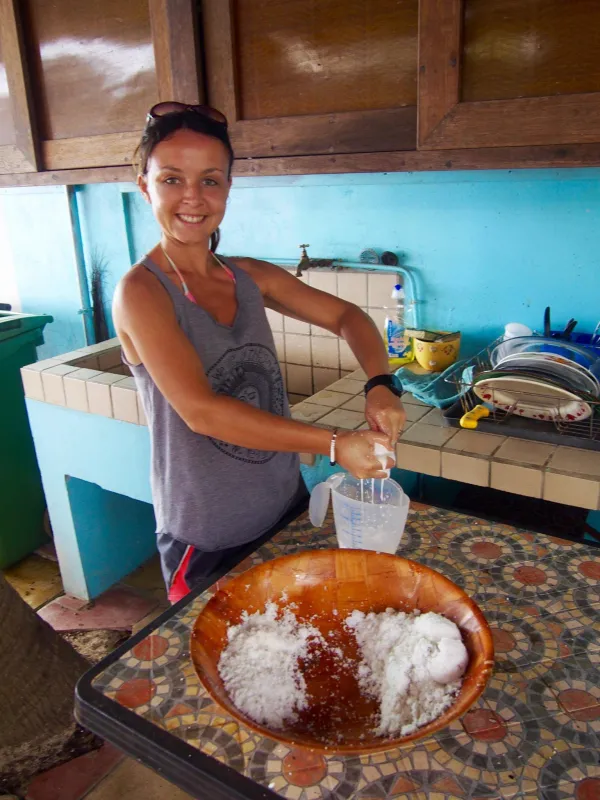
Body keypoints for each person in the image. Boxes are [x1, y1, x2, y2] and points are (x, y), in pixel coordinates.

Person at [113, 102, 406, 603]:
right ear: (144, 186)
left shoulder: (248, 276)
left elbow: (348, 318)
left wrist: (381, 384)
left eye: (210, 180)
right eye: (170, 180)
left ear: (228, 187)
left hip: (282, 502)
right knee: (222, 666)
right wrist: (335, 444)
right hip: (206, 532)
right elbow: (201, 412)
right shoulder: (141, 292)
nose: (192, 198)